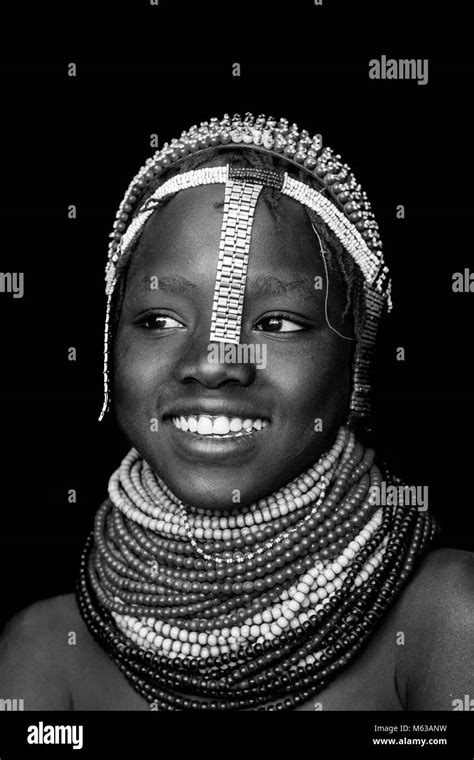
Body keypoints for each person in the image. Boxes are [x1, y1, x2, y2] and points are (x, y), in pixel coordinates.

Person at [1, 113, 473, 711]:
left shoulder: (446, 619)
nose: (216, 362)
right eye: (160, 320)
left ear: (356, 361)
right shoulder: (41, 652)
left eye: (276, 323)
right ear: (109, 345)